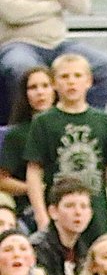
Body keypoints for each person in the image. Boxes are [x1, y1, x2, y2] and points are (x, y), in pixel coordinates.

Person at [25, 52, 107, 249]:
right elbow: (34, 171)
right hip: (59, 212)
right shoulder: (44, 122)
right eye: (64, 77)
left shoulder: (101, 120)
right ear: (54, 83)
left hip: (95, 212)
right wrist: (41, 215)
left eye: (77, 76)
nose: (71, 82)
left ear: (88, 81)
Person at [0, 63, 53, 218]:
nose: (40, 92)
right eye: (33, 87)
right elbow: (2, 180)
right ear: (25, 94)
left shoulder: (67, 127)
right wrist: (32, 188)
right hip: (30, 211)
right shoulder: (18, 135)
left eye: (45, 86)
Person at [28, 174, 91, 275]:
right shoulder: (37, 248)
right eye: (70, 206)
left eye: (84, 206)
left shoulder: (86, 250)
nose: (78, 212)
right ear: (53, 212)